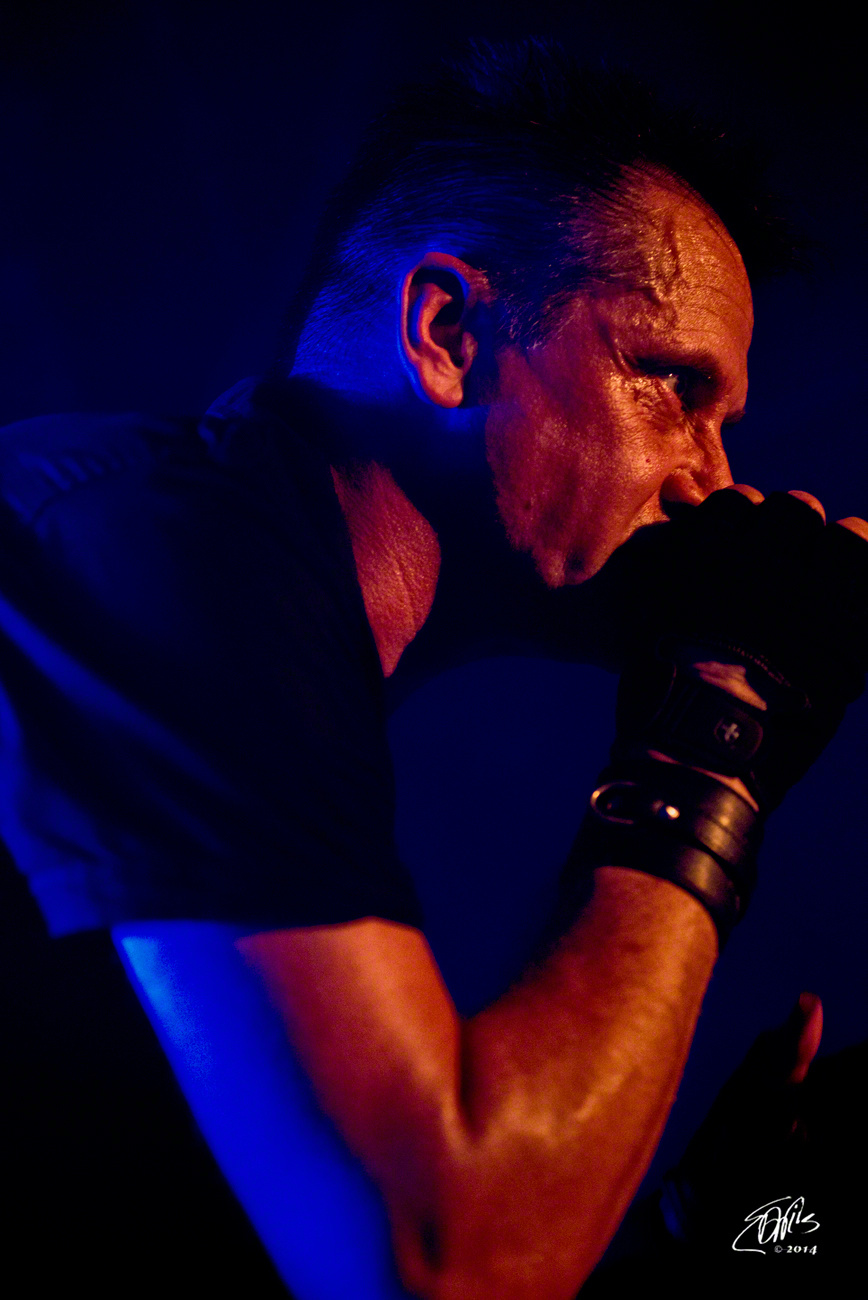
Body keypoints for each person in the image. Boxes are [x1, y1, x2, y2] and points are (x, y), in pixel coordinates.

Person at [1, 39, 865, 1299]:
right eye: (669, 386)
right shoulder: (157, 548)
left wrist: (698, 1243)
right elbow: (440, 1266)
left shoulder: (269, 642)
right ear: (450, 333)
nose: (711, 483)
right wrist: (712, 733)